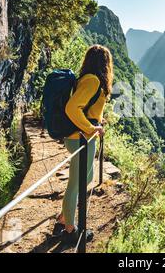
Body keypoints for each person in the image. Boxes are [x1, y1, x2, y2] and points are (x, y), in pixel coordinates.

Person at [53, 45, 113, 245]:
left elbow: (87, 107)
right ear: (105, 63)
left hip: (83, 136)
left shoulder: (88, 79)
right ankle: (69, 230)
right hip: (81, 138)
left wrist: (96, 121)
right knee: (76, 183)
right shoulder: (93, 80)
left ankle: (64, 218)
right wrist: (90, 128)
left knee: (85, 177)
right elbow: (72, 108)